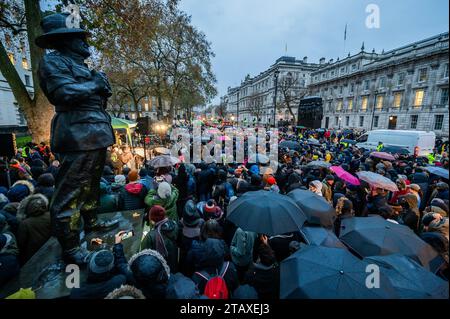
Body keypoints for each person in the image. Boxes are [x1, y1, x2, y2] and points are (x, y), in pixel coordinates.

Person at [36, 12, 118, 264]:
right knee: (70, 192)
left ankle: (92, 220)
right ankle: (70, 247)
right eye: (80, 38)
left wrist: (101, 86)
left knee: (91, 185)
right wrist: (95, 84)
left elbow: (99, 98)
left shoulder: (82, 67)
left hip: (96, 131)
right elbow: (63, 93)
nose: (86, 42)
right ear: (65, 40)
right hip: (76, 133)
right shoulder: (53, 62)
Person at [140, 205, 179, 273]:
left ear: (152, 220)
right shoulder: (174, 224)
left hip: (160, 265)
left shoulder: (151, 235)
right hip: (173, 260)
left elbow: (144, 253)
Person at [16, 194, 51, 264]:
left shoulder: (25, 223)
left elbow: (21, 243)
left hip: (34, 255)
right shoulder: (51, 215)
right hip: (51, 249)